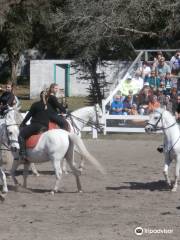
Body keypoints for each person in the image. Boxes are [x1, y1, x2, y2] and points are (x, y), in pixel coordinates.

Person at [18, 91, 51, 159]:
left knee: (21, 135)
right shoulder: (49, 105)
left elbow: (28, 115)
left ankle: (23, 154)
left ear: (40, 96)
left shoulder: (36, 104)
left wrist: (23, 123)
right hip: (46, 127)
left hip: (36, 126)